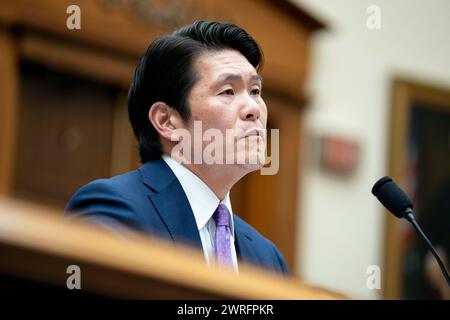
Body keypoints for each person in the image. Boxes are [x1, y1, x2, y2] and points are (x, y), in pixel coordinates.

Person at [65, 21, 289, 275]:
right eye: (228, 91)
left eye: (255, 90)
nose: (254, 109)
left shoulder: (269, 258)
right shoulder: (115, 211)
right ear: (166, 121)